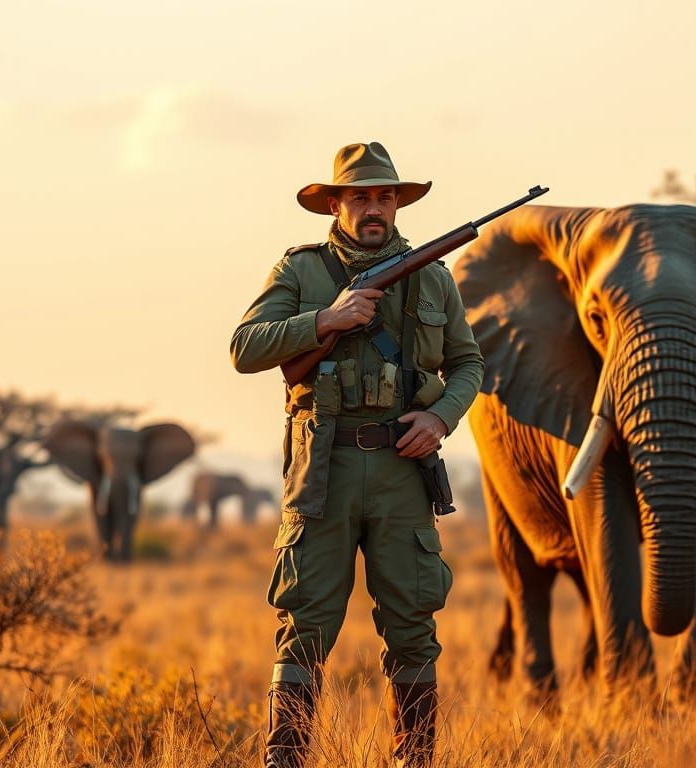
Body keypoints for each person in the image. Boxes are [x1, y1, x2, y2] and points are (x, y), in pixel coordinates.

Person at [230, 142, 484, 768]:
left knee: (413, 625)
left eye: (386, 196)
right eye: (362, 196)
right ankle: (285, 760)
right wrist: (324, 320)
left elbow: (467, 363)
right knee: (305, 626)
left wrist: (440, 416)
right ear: (336, 204)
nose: (375, 208)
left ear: (397, 204)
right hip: (323, 472)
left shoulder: (431, 274)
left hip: (403, 468)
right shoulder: (300, 270)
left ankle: (414, 761)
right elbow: (244, 347)